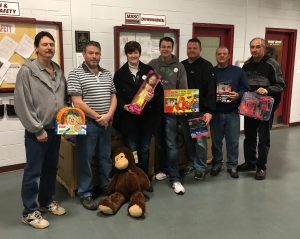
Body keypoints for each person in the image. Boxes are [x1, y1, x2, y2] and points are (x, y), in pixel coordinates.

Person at [14, 31, 67, 229]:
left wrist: (68, 123)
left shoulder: (58, 70)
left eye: (52, 45)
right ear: (36, 48)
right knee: (33, 172)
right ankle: (28, 212)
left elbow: (63, 99)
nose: (49, 48)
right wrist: (36, 129)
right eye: (45, 44)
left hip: (56, 129)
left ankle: (45, 202)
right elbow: (22, 103)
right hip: (38, 131)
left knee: (51, 168)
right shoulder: (27, 71)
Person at [67, 41, 117, 209]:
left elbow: (113, 96)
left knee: (105, 157)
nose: (94, 56)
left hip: (106, 123)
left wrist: (108, 115)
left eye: (97, 53)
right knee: (85, 159)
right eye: (91, 53)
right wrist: (98, 117)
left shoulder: (107, 73)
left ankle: (106, 186)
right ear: (84, 54)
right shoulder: (75, 74)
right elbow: (76, 101)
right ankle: (85, 193)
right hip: (87, 123)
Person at [113, 41, 163, 190]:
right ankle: (134, 179)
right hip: (129, 119)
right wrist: (124, 105)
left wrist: (152, 96)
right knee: (132, 149)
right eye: (130, 52)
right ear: (126, 54)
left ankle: (145, 179)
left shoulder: (149, 71)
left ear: (139, 53)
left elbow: (159, 91)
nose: (133, 55)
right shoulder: (120, 73)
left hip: (147, 118)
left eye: (135, 52)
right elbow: (116, 95)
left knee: (145, 148)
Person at [237, 37, 285, 180]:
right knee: (249, 136)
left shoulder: (272, 64)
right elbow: (243, 84)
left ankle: (261, 167)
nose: (254, 50)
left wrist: (267, 89)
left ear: (263, 48)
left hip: (265, 108)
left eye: (258, 47)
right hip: (250, 106)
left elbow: (281, 85)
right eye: (252, 47)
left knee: (263, 139)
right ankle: (250, 162)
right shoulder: (247, 65)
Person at [149, 37, 188, 195]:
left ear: (172, 48)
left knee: (171, 144)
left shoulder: (179, 66)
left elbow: (183, 87)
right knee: (159, 143)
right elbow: (146, 86)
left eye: (168, 47)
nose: (165, 49)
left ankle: (175, 178)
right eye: (163, 46)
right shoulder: (152, 64)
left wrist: (182, 107)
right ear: (159, 48)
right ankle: (164, 169)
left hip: (171, 112)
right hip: (156, 111)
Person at [210, 46, 248, 178]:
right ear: (216, 56)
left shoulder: (238, 72)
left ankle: (232, 165)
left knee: (233, 141)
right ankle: (217, 163)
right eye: (219, 54)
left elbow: (245, 89)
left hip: (232, 113)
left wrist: (237, 95)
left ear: (229, 55)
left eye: (224, 54)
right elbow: (206, 90)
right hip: (216, 113)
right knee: (216, 141)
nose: (221, 56)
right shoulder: (211, 72)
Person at [181, 38, 216, 180]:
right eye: (189, 48)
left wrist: (209, 111)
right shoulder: (181, 65)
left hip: (199, 110)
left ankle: (201, 166)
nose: (191, 50)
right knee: (188, 139)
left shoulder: (207, 66)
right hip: (183, 109)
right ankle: (192, 162)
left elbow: (211, 90)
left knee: (200, 140)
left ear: (200, 50)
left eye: (194, 48)